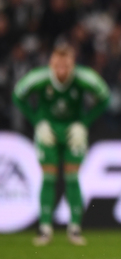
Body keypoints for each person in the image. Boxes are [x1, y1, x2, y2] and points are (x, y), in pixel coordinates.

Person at [12, 44, 110, 246]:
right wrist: (37, 121)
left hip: (72, 130)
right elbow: (17, 94)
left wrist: (84, 123)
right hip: (49, 130)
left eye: (66, 65)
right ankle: (45, 229)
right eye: (58, 64)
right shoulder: (40, 78)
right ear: (51, 64)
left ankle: (74, 228)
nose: (62, 69)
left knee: (72, 176)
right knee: (48, 176)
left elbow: (105, 97)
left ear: (73, 65)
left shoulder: (84, 77)